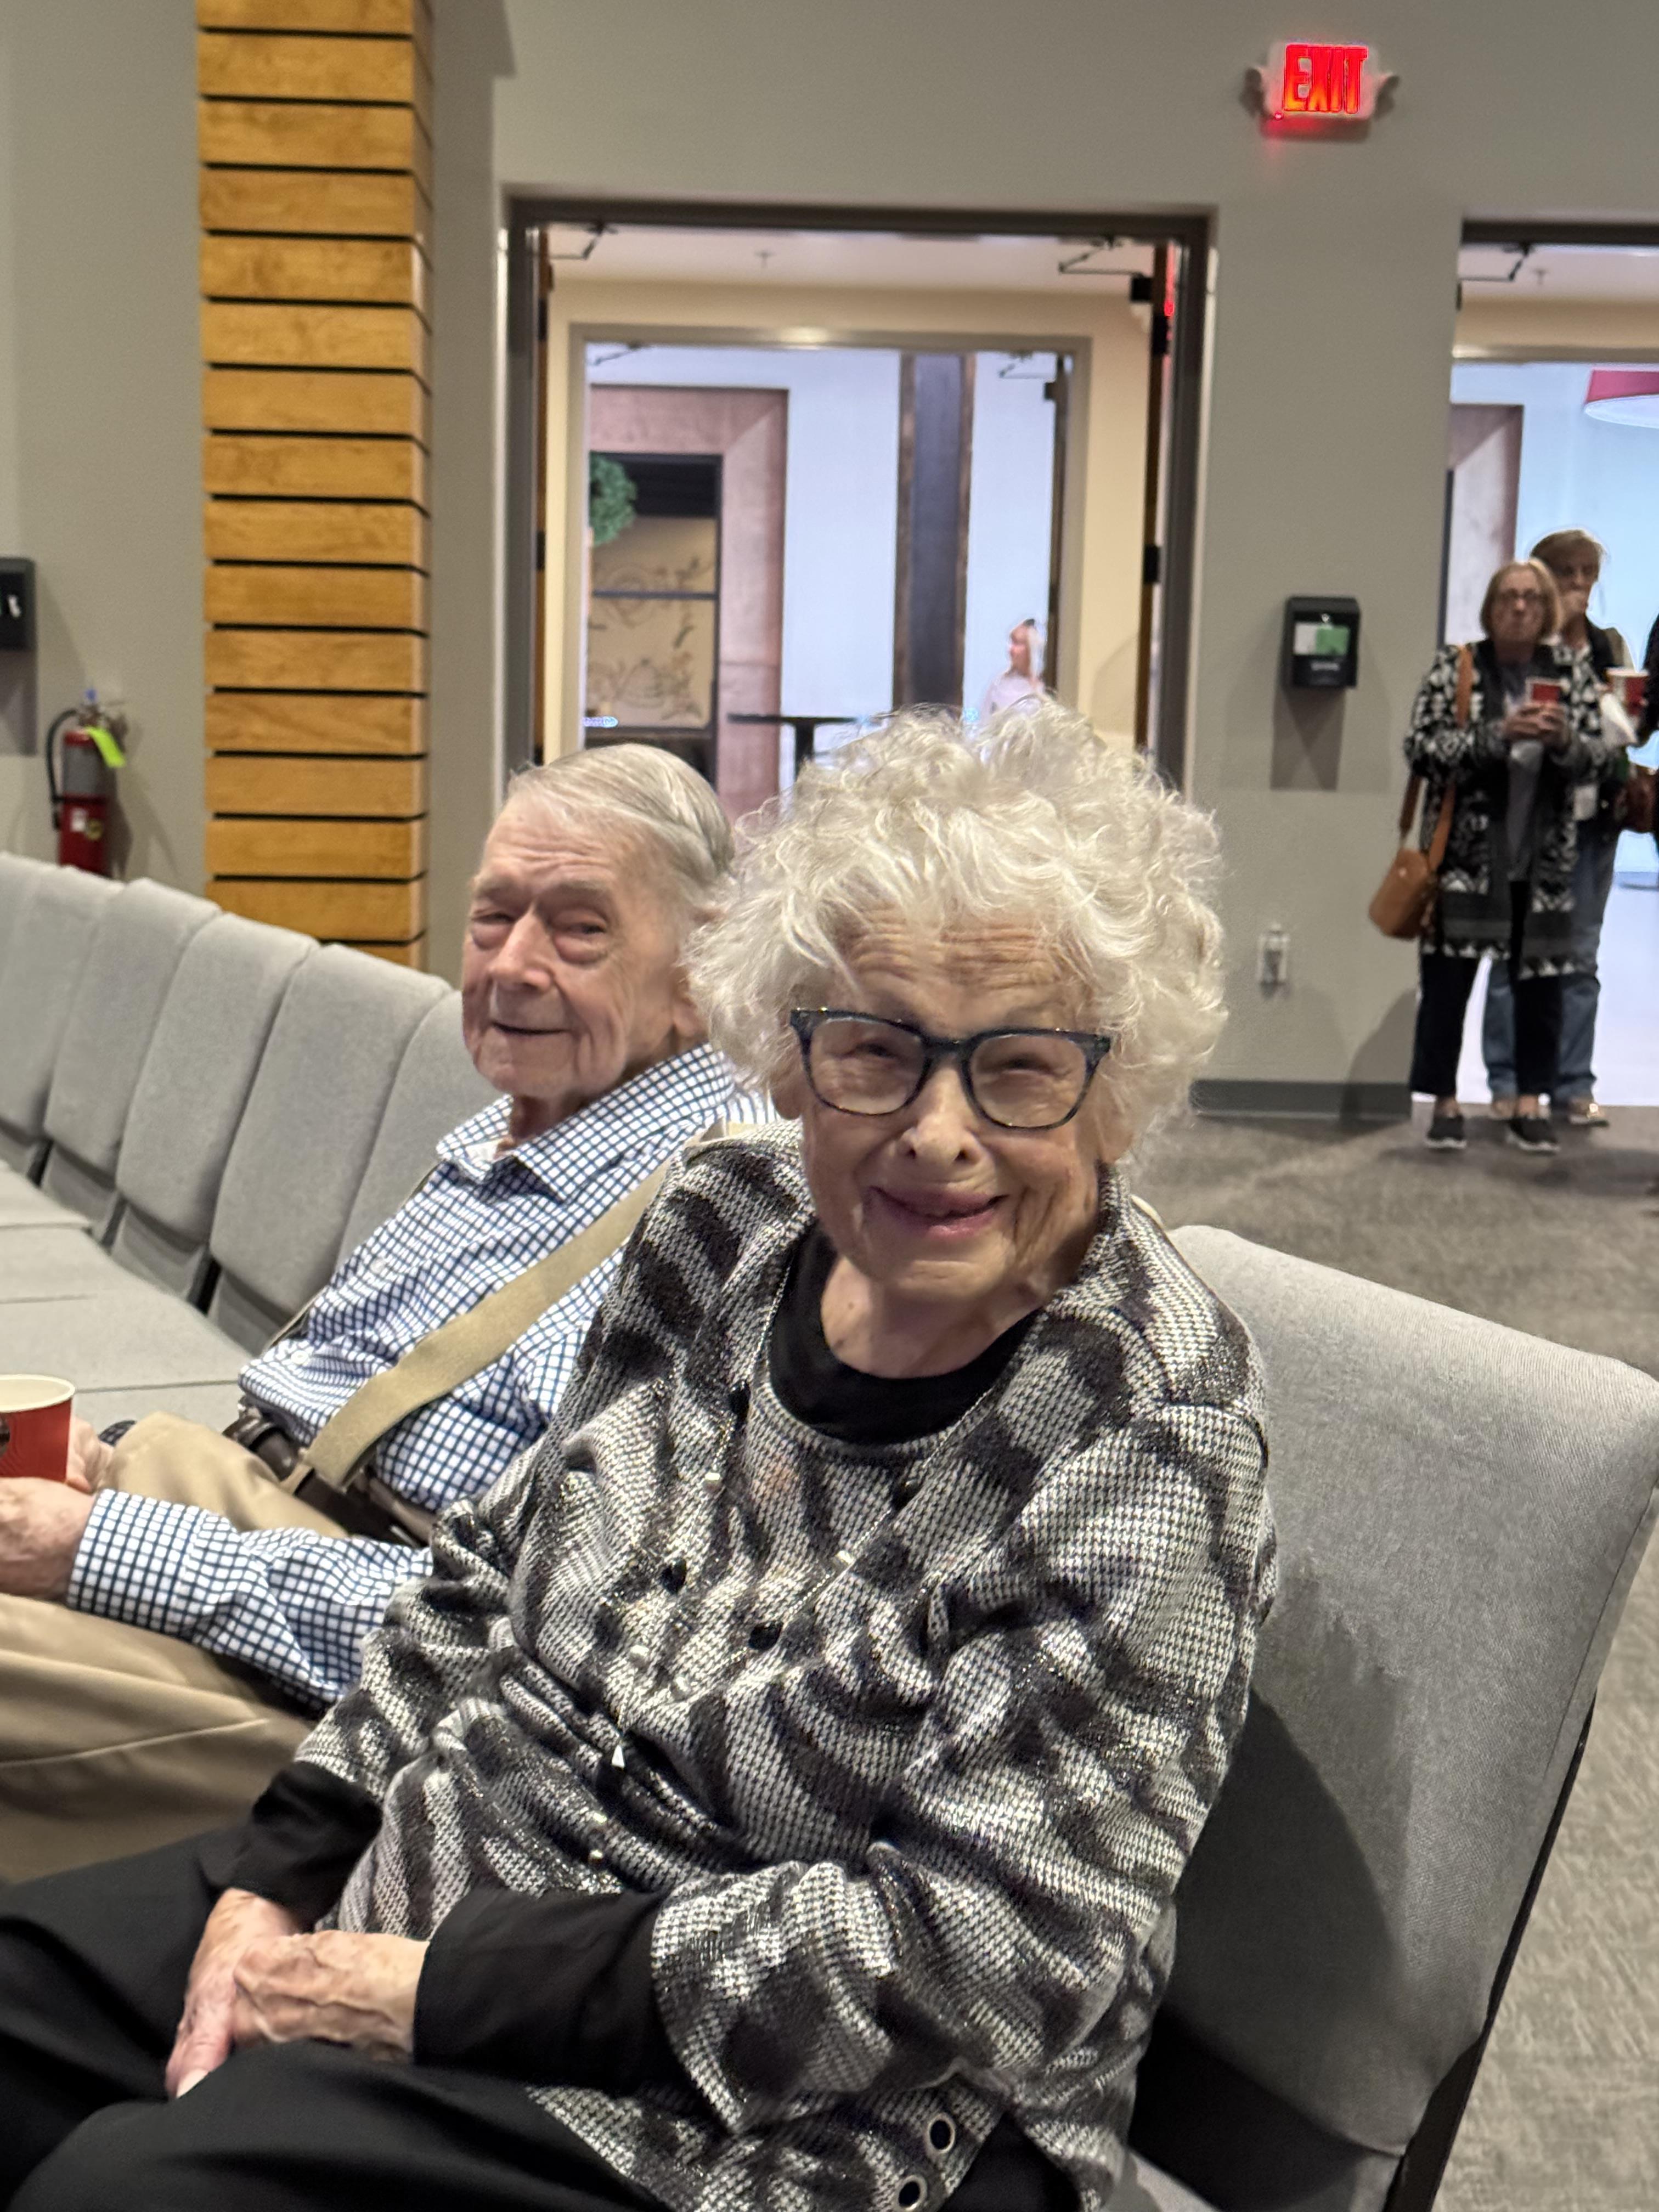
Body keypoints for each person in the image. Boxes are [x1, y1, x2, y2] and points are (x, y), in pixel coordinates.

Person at [0, 706, 1275, 2212]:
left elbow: (972, 1958)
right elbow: (485, 1578)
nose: (938, 1132)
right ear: (790, 1059)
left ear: (1115, 1089)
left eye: (1017, 1070)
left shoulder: (1149, 1434)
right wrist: (283, 1869)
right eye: (874, 1050)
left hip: (785, 2102)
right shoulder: (724, 1217)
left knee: (128, 2195)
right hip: (470, 1870)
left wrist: (429, 1993)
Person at [0, 744, 763, 1883]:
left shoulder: (708, 1221)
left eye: (578, 931)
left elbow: (518, 1643)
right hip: (243, 1522)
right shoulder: (526, 1127)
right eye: (493, 917)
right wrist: (110, 1480)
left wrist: (108, 1548)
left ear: (703, 969)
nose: (512, 966)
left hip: (369, 1698)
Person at [1405, 558, 1609, 1154]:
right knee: (1447, 985)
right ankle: (1444, 1101)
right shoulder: (1458, 667)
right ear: (1491, 608)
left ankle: (1529, 1101)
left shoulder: (1570, 674)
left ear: (1546, 610)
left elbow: (1601, 759)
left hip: (1543, 866)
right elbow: (1421, 748)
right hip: (1466, 865)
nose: (1519, 608)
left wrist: (1564, 740)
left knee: (1541, 985)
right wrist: (1499, 736)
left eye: (1530, 599)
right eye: (1507, 598)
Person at [1482, 530, 1634, 1127]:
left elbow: (1625, 730)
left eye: (1587, 573)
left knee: (1580, 955)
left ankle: (1573, 1083)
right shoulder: (1517, 647)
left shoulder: (1607, 644)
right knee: (1513, 953)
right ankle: (1507, 1080)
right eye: (1565, 573)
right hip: (1528, 820)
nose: (1578, 586)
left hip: (1593, 818)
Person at [977, 616, 1045, 719]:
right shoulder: (999, 684)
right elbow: (984, 720)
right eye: (1012, 642)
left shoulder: (1041, 690)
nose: (1012, 650)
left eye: (1018, 643)